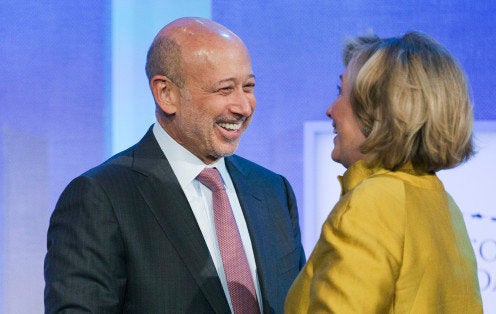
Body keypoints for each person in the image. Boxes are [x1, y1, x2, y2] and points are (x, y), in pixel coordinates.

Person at [44, 17, 305, 313]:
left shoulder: (272, 191)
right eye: (224, 90)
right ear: (166, 94)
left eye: (248, 86)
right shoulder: (101, 198)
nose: (243, 107)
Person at [285, 32, 483, 313]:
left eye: (342, 92)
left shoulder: (373, 202)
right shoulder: (443, 206)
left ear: (376, 111)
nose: (331, 110)